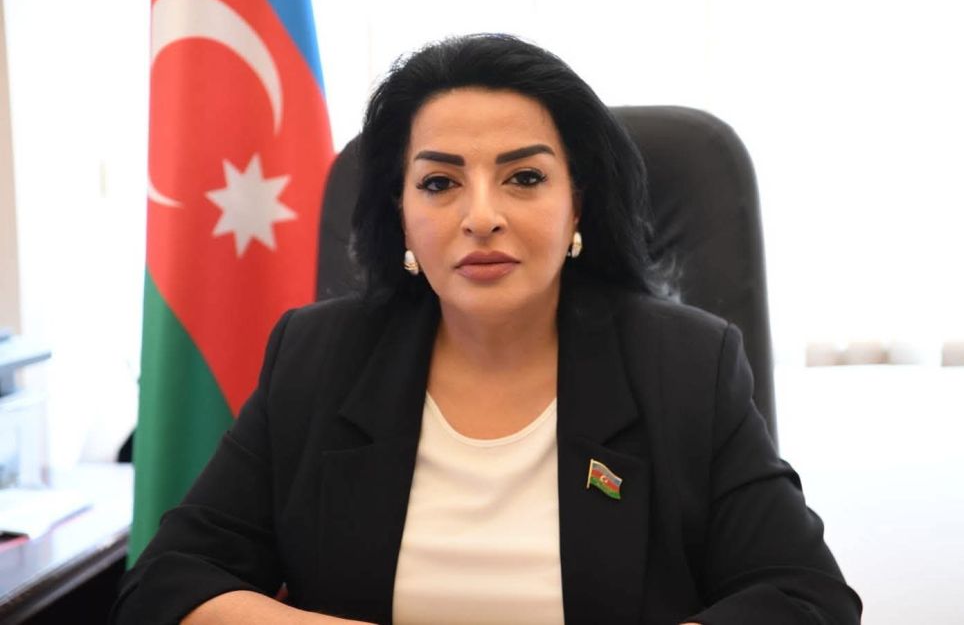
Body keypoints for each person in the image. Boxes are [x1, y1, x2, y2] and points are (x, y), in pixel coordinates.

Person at [112, 34, 861, 625]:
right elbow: (167, 581)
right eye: (439, 182)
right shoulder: (317, 357)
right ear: (401, 213)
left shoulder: (685, 364)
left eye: (524, 177)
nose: (481, 216)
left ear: (577, 205)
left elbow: (807, 598)